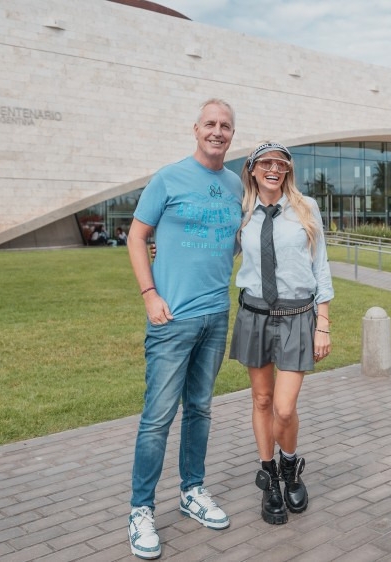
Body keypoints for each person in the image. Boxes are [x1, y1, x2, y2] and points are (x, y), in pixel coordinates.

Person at [125, 98, 243, 559]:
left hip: (216, 316)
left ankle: (191, 491)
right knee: (157, 419)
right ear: (195, 129)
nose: (218, 131)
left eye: (226, 126)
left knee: (200, 410)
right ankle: (140, 510)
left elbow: (231, 241)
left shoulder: (235, 184)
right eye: (211, 124)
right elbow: (137, 236)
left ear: (233, 135)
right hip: (172, 319)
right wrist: (150, 294)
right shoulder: (167, 178)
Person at [229, 141, 334, 526]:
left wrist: (323, 321)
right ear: (253, 170)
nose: (273, 168)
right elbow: (219, 254)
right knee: (261, 399)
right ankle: (270, 477)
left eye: (280, 163)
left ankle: (291, 465)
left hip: (297, 316)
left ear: (287, 170)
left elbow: (320, 265)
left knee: (284, 408)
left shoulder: (306, 208)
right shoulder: (241, 212)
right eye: (265, 163)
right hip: (255, 314)